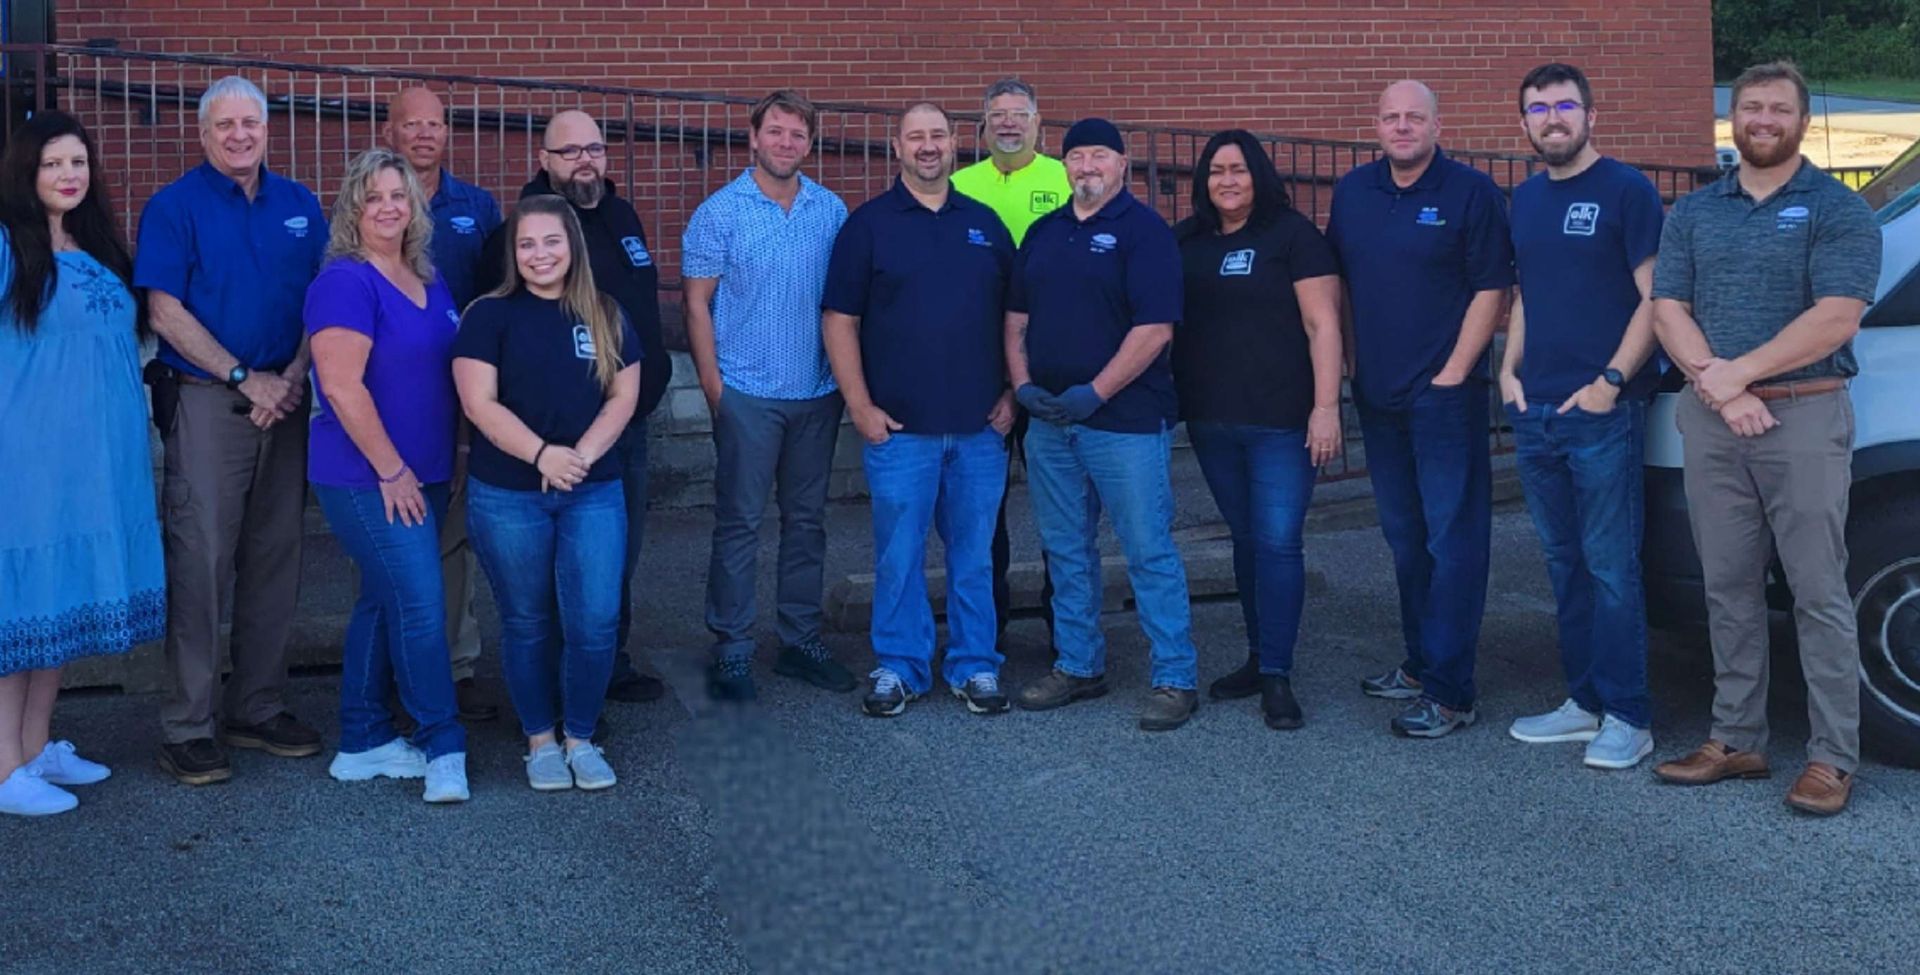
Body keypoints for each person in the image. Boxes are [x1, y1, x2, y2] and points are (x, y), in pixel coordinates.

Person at [1650, 61, 1881, 815]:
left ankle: (1832, 755)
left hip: (1804, 416)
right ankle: (1737, 736)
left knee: (1817, 591)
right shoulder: (1693, 212)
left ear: (1802, 122)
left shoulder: (1839, 210)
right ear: (1735, 120)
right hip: (1714, 421)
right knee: (1728, 586)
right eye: (1751, 107)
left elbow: (1837, 316)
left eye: (1779, 108)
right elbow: (1668, 306)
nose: (1763, 118)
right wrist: (1720, 385)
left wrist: (1736, 376)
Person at [137, 75, 328, 784]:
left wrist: (294, 376)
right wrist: (246, 378)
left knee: (277, 557)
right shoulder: (174, 206)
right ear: (203, 133)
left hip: (287, 401)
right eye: (225, 126)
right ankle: (188, 723)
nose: (240, 135)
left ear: (268, 129)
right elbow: (164, 311)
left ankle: (257, 705)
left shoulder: (301, 205)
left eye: (251, 123)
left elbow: (323, 299)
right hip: (210, 402)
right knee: (202, 561)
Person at [1325, 80, 1513, 738]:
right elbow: (1342, 285)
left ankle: (1452, 691)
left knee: (1451, 541)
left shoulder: (1471, 193)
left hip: (1445, 401)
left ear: (1438, 124)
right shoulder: (1352, 194)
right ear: (1375, 125)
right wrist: (1350, 363)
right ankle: (1420, 661)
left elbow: (1493, 287)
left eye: (1415, 118)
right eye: (1391, 118)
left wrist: (1454, 373)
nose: (1402, 127)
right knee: (1406, 541)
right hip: (1377, 396)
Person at [822, 103, 1017, 717]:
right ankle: (900, 666)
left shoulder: (985, 224)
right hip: (899, 431)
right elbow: (839, 320)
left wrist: (1014, 394)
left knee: (974, 556)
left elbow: (1018, 322)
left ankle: (975, 664)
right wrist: (859, 405)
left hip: (980, 429)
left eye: (938, 135)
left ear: (957, 143)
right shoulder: (869, 225)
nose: (928, 146)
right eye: (916, 137)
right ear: (896, 148)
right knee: (899, 556)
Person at [1006, 117, 1199, 731]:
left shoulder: (1144, 233)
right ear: (1063, 166)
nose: (1087, 167)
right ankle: (1079, 665)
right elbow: (1014, 319)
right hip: (1050, 424)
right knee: (1065, 550)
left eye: (1099, 156)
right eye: (1076, 157)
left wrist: (1097, 391)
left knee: (1147, 550)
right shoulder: (1043, 232)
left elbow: (1155, 329)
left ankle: (1174, 677)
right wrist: (1022, 386)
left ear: (1122, 163)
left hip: (1126, 423)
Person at [1501, 63, 1664, 770]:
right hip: (1534, 409)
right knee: (1563, 563)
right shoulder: (1525, 200)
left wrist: (1610, 382)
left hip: (1600, 412)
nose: (1553, 118)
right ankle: (1585, 701)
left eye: (1565, 105)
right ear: (1526, 124)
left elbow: (1656, 300)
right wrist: (1508, 370)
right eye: (1539, 108)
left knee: (1609, 566)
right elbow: (1526, 295)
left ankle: (1629, 714)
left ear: (1591, 115)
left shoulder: (1627, 190)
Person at [0, 112, 162, 816]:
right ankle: (4, 768)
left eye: (77, 162)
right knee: (20, 606)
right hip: (27, 456)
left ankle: (36, 747)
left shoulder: (96, 248)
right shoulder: (7, 246)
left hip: (96, 459)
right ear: (25, 174)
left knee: (58, 602)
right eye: (52, 164)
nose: (69, 175)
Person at [455, 195, 640, 791]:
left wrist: (579, 457)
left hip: (593, 489)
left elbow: (623, 396)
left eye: (551, 241)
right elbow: (478, 403)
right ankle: (539, 741)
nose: (540, 254)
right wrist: (542, 455)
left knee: (595, 621)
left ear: (573, 247)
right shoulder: (487, 316)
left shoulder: (606, 313)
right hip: (510, 493)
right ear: (513, 252)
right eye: (527, 244)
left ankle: (581, 736)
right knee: (528, 620)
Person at [488, 109, 671, 705]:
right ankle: (554, 691)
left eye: (594, 148)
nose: (585, 160)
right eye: (570, 152)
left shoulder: (621, 216)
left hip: (625, 426)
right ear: (543, 160)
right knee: (548, 577)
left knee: (612, 559)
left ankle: (604, 666)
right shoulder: (521, 232)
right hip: (548, 443)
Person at [305, 149, 468, 803]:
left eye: (399, 195)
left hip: (425, 468)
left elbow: (449, 376)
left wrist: (450, 456)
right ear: (352, 207)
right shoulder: (346, 281)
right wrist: (393, 469)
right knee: (422, 603)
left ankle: (363, 738)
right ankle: (443, 742)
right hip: (366, 476)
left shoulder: (428, 277)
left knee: (383, 598)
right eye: (373, 197)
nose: (389, 207)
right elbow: (343, 389)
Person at [682, 89, 854, 702]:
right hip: (748, 393)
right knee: (739, 524)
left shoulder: (830, 212)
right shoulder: (719, 212)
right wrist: (713, 387)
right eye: (775, 132)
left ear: (811, 143)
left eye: (797, 135)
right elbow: (697, 303)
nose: (786, 143)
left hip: (815, 392)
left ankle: (800, 639)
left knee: (807, 522)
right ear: (753, 137)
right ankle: (731, 648)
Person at [1172, 129, 1343, 731]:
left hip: (1281, 422)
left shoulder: (1292, 236)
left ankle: (1278, 673)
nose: (1226, 180)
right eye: (1216, 170)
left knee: (1277, 542)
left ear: (1260, 175)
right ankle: (1254, 657)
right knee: (1245, 541)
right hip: (1212, 418)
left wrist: (1327, 408)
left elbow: (1323, 326)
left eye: (1239, 170)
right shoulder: (1186, 240)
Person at [382, 85, 503, 723]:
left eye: (435, 125)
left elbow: (498, 299)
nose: (425, 135)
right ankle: (394, 670)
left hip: (464, 392)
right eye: (412, 125)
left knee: (453, 533)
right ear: (390, 132)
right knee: (393, 536)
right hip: (390, 392)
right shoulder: (370, 205)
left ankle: (454, 669)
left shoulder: (477, 208)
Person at [952, 77, 1071, 643]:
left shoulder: (1066, 178)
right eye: (996, 114)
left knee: (1060, 507)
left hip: (1052, 365)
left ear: (1037, 123)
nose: (1007, 123)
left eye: (1018, 114)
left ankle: (1063, 630)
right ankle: (987, 631)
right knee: (983, 511)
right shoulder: (957, 185)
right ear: (982, 125)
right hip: (979, 370)